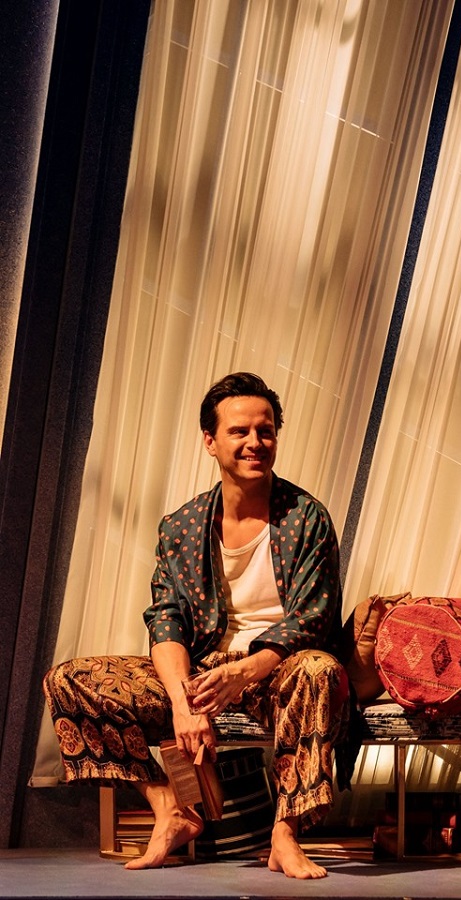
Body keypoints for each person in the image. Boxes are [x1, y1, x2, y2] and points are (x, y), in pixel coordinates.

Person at [43, 372, 356, 879]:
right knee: (70, 679)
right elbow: (165, 620)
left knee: (319, 668)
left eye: (266, 430)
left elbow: (313, 619)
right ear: (210, 441)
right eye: (239, 431)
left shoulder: (307, 517)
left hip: (278, 669)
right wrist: (183, 701)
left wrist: (244, 672)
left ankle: (284, 833)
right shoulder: (182, 527)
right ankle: (169, 807)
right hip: (205, 673)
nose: (255, 442)